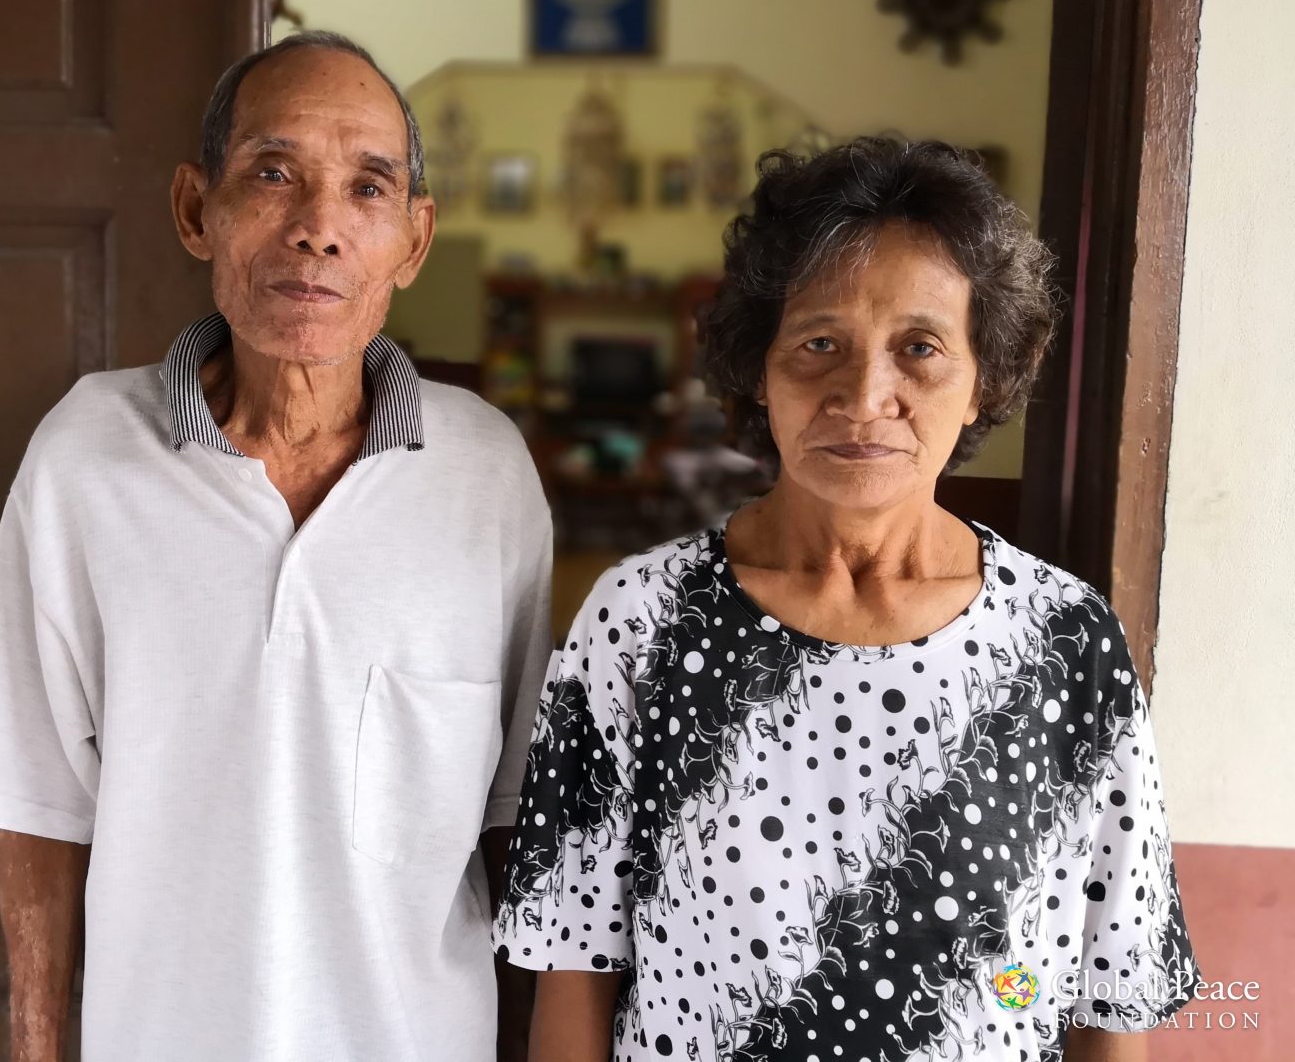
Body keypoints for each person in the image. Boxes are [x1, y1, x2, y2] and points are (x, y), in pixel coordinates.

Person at [492, 139, 1199, 1062]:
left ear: (987, 373)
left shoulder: (1066, 644)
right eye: (820, 343)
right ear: (759, 366)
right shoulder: (642, 622)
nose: (865, 396)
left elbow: (1113, 993)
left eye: (920, 348)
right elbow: (572, 962)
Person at [0, 31, 550, 1062]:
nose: (319, 229)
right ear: (195, 211)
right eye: (273, 174)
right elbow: (32, 797)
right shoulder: (85, 455)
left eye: (367, 189)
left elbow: (517, 813)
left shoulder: (485, 471)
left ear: (414, 239)